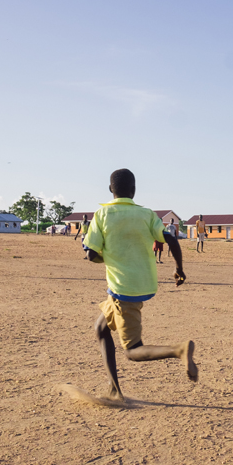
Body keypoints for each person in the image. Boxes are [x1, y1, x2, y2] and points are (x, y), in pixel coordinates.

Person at [84, 168, 197, 401]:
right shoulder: (147, 215)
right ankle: (114, 389)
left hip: (122, 290)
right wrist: (179, 269)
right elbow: (171, 239)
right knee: (100, 329)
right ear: (134, 191)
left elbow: (91, 255)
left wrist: (109, 257)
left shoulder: (102, 215)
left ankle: (179, 350)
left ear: (109, 189)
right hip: (139, 286)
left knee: (133, 351)